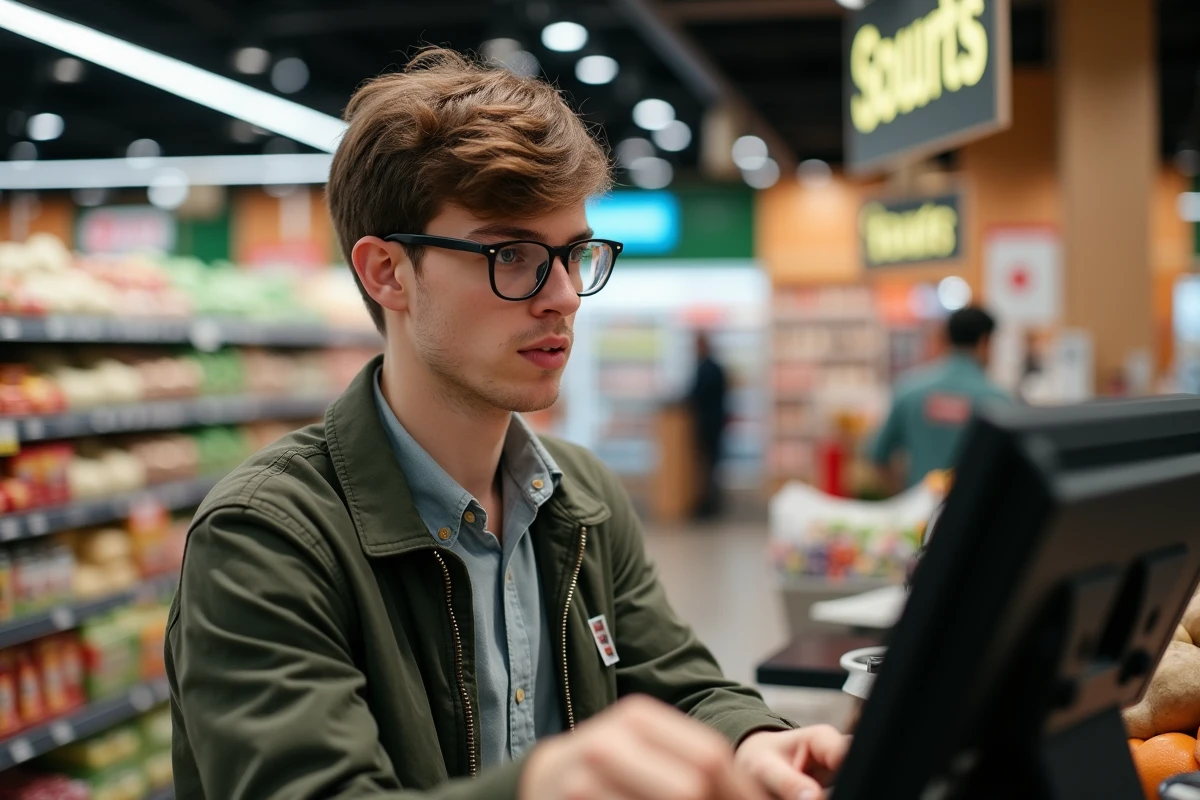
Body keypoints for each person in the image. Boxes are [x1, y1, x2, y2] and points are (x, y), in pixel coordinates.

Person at [166, 48, 849, 800]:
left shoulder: (580, 496)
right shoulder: (268, 537)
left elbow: (678, 684)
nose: (562, 295)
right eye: (513, 255)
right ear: (387, 272)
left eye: (573, 254)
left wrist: (753, 743)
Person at [871, 306, 1010, 491]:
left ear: (946, 338)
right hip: (975, 515)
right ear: (985, 342)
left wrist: (905, 497)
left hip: (922, 515)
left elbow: (878, 454)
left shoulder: (909, 390)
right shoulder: (999, 402)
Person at [686, 331, 729, 519]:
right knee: (711, 465)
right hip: (715, 423)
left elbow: (697, 394)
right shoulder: (714, 367)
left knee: (708, 466)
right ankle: (710, 503)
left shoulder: (707, 368)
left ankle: (709, 505)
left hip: (708, 425)